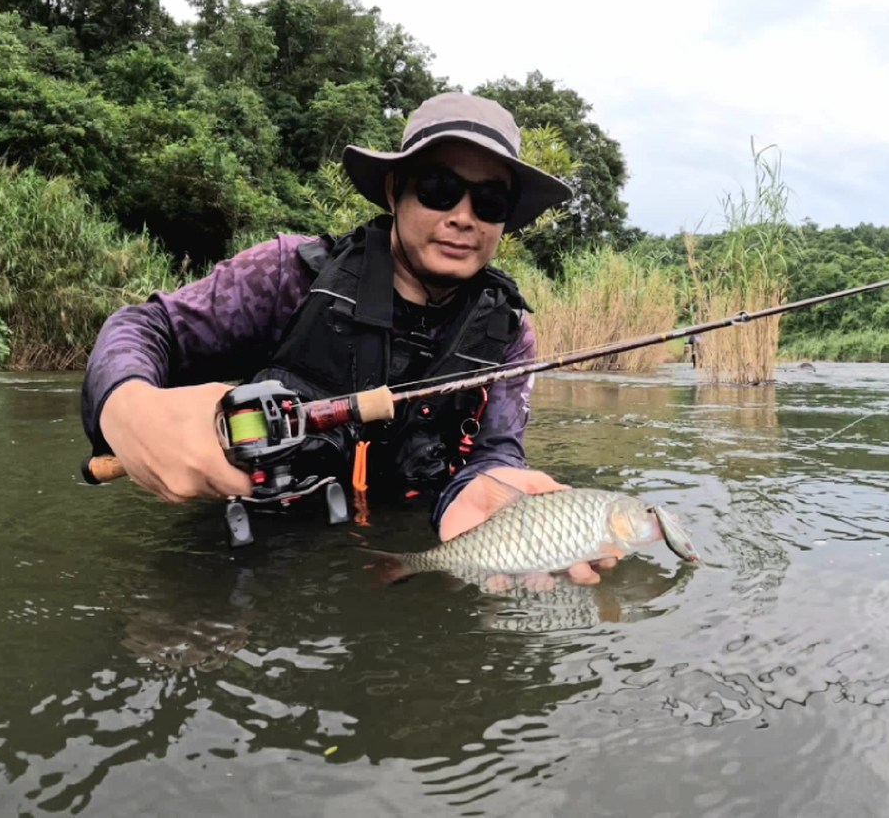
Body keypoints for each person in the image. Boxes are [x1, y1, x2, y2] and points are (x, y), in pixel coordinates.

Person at [81, 92, 618, 585]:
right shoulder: (288, 274)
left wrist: (493, 483)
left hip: (408, 553)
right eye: (439, 189)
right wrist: (128, 407)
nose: (462, 217)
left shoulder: (511, 333)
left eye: (490, 203)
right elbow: (146, 327)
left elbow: (495, 450)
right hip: (245, 543)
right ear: (394, 191)